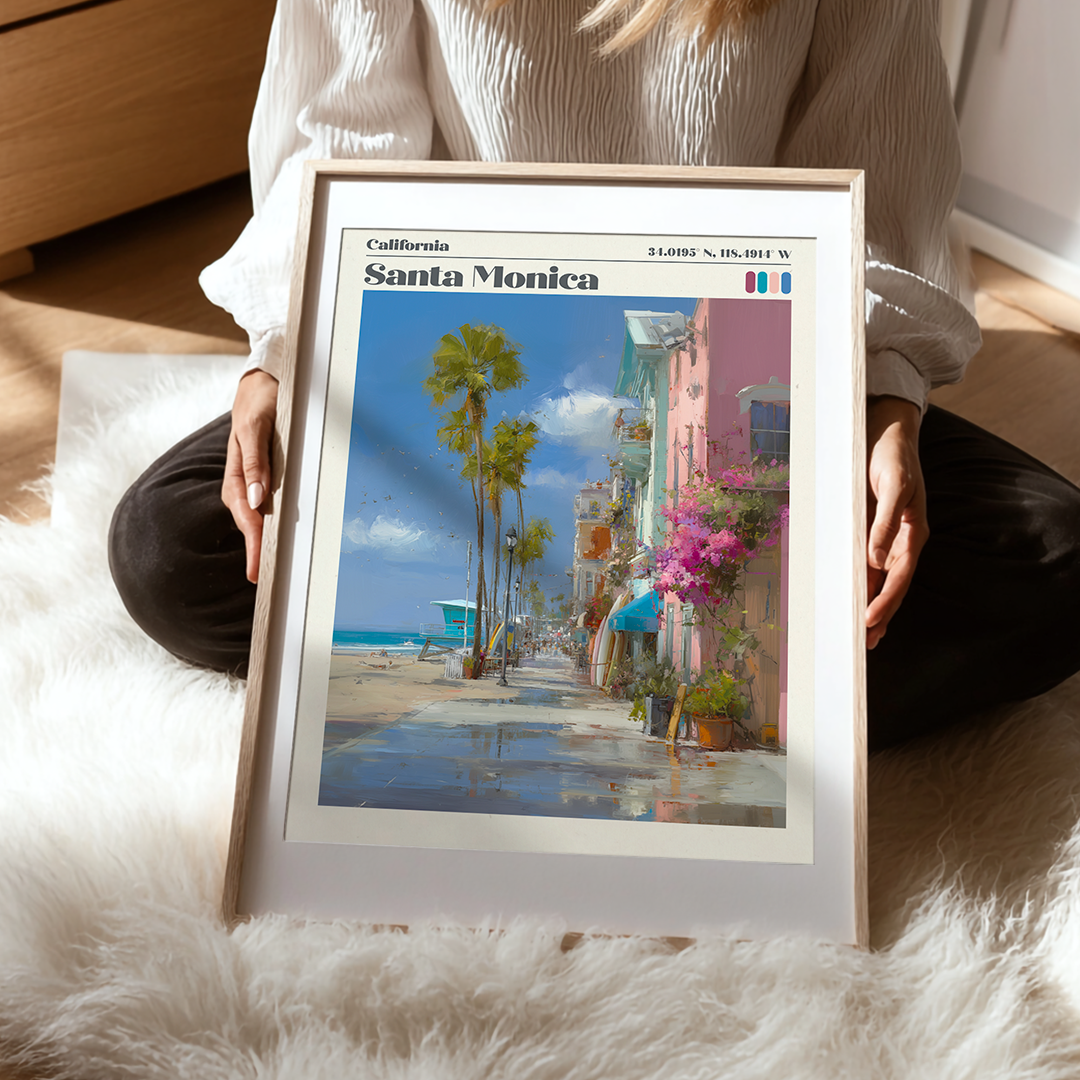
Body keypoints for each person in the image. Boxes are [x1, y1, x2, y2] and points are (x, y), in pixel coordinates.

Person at [108, 0, 1080, 749]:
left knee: (1056, 560)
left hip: (759, 361)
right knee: (176, 547)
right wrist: (282, 355)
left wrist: (879, 403)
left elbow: (875, 177)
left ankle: (719, 689)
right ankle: (771, 692)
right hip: (457, 345)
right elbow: (338, 143)